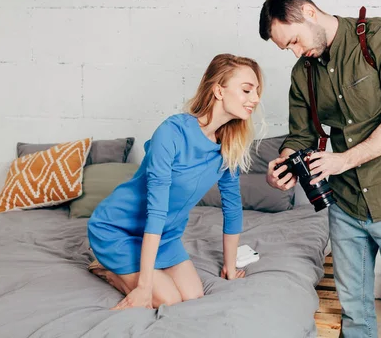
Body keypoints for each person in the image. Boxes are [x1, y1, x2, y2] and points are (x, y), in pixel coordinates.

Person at [259, 0, 381, 337]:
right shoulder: (303, 74)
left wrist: (344, 160)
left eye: (294, 41)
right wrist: (282, 165)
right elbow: (301, 136)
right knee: (356, 320)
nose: (296, 53)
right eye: (287, 49)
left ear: (309, 12)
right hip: (344, 207)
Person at [87, 54, 263, 311]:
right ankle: (109, 271)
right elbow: (156, 210)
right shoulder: (172, 132)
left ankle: (137, 272)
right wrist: (144, 287)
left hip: (165, 238)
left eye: (257, 91)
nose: (255, 99)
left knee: (193, 297)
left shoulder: (228, 145)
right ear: (218, 91)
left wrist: (230, 266)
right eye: (247, 90)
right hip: (117, 230)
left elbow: (232, 206)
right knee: (168, 300)